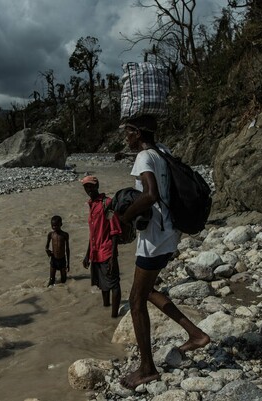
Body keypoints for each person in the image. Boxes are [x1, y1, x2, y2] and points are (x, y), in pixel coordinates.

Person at [118, 115, 210, 389]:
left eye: (127, 133)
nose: (126, 138)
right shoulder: (163, 151)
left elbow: (150, 195)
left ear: (136, 132)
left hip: (154, 239)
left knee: (136, 300)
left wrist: (124, 217)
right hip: (170, 233)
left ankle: (147, 369)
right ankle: (195, 334)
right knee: (147, 291)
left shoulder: (145, 157)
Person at [81, 176, 122, 318]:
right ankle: (106, 308)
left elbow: (115, 230)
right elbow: (93, 234)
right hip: (95, 253)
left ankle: (114, 317)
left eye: (91, 186)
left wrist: (113, 256)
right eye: (86, 187)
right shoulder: (91, 205)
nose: (88, 189)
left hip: (106, 250)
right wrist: (87, 254)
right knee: (103, 284)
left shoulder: (107, 203)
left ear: (97, 185)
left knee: (114, 284)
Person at [45, 215, 70, 286]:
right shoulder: (51, 234)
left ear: (61, 224)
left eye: (56, 225)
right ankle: (47, 293)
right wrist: (47, 251)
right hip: (54, 259)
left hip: (62, 259)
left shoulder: (65, 235)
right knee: (51, 280)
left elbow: (67, 249)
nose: (54, 227)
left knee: (64, 280)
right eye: (52, 225)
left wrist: (68, 263)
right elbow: (46, 246)